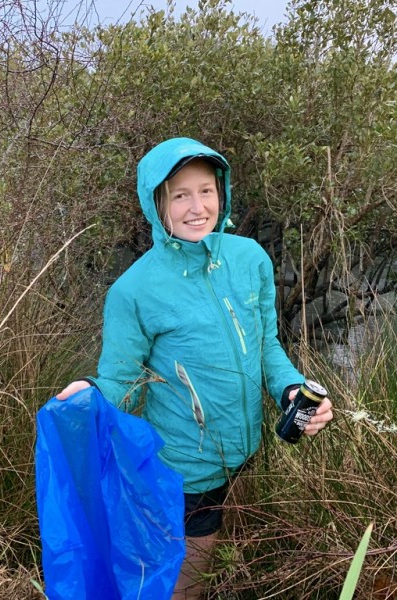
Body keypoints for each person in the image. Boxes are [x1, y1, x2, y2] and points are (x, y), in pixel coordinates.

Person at [57, 137, 333, 599]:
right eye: (179, 194)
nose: (197, 206)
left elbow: (266, 347)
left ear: (221, 190)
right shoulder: (133, 291)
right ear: (156, 202)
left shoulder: (251, 260)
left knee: (220, 546)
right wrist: (89, 389)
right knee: (187, 579)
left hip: (243, 451)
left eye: (206, 190)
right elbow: (122, 382)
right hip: (183, 468)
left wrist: (290, 390)